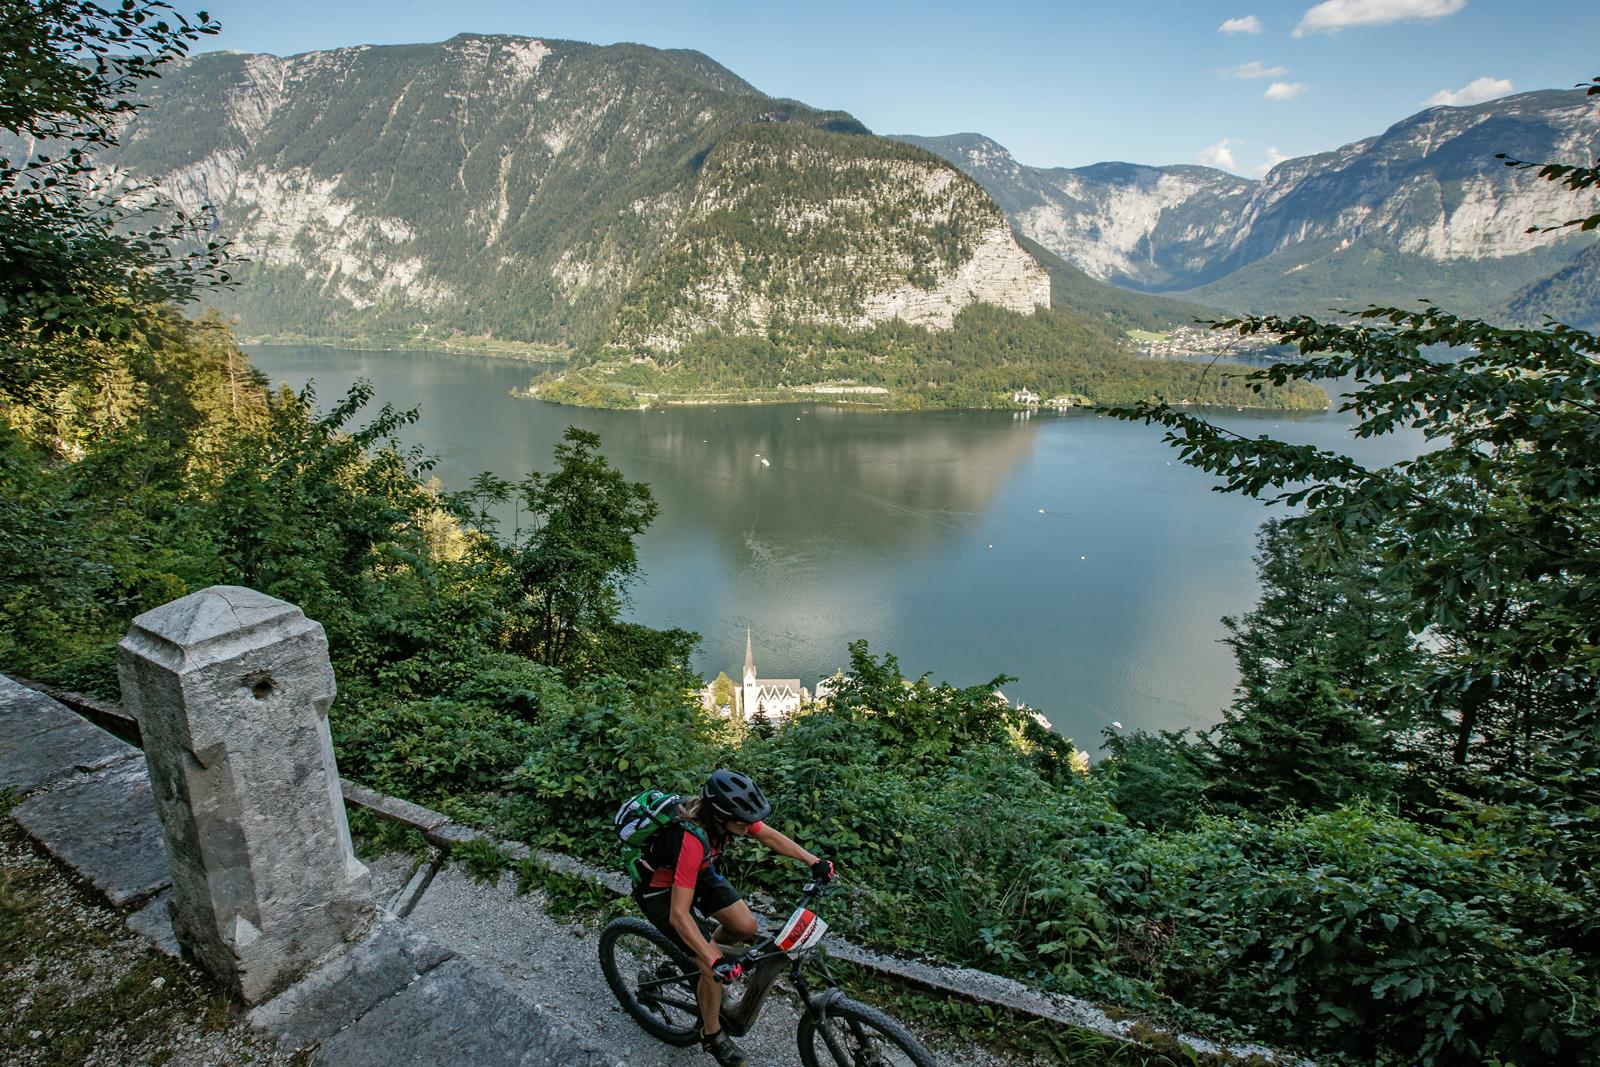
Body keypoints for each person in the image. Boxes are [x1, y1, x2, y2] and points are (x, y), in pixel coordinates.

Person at [633, 768, 834, 1067]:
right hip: (660, 891)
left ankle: (696, 964)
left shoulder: (725, 819)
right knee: (710, 965)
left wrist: (813, 861)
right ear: (720, 817)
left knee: (744, 926)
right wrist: (712, 961)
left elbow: (768, 835)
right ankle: (711, 1034)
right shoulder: (691, 840)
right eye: (743, 822)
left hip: (696, 872)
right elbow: (678, 914)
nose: (749, 825)